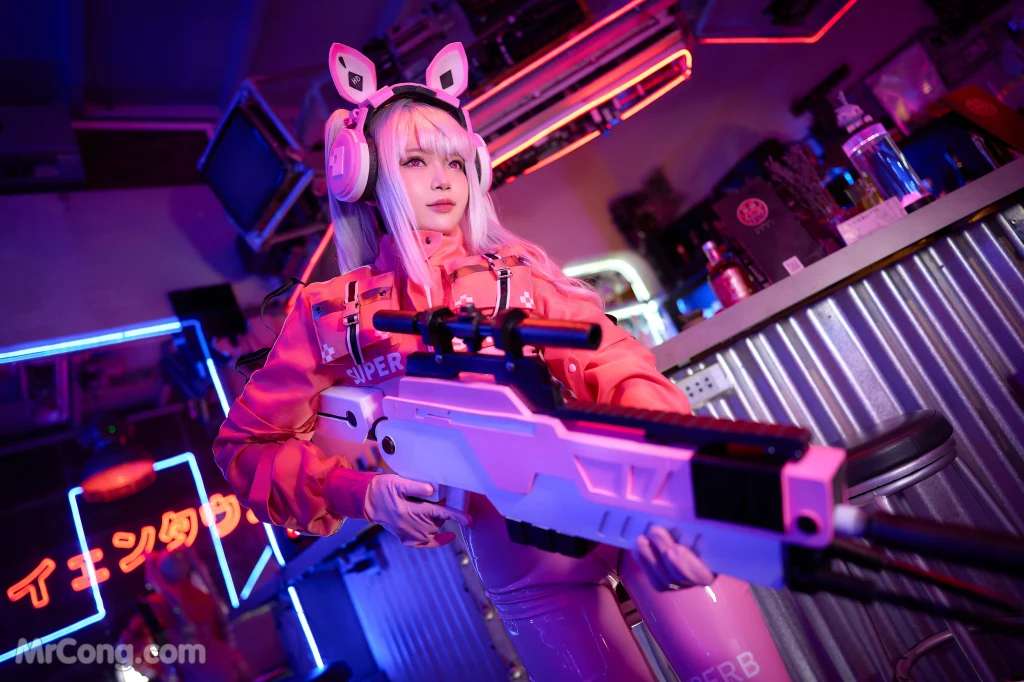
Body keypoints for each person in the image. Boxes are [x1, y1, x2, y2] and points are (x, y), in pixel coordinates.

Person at [213, 42, 790, 680]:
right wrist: (365, 493)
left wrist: (672, 482)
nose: (442, 179)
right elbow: (245, 448)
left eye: (454, 161)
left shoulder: (520, 271)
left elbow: (619, 367)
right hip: (520, 561)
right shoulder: (331, 314)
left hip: (630, 506)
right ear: (364, 176)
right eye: (414, 161)